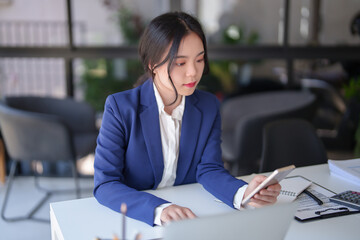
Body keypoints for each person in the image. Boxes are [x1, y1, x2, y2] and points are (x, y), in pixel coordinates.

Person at [93, 11, 281, 226]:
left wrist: (244, 193)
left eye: (199, 59)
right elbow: (106, 184)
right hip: (135, 220)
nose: (193, 72)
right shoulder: (120, 108)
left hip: (193, 216)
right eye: (180, 63)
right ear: (153, 64)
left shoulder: (208, 106)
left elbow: (209, 169)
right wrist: (159, 209)